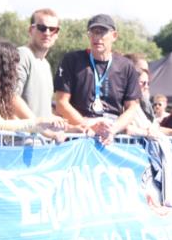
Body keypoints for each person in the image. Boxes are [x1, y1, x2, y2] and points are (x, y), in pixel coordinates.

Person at [54, 14, 142, 144]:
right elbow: (61, 103)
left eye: (102, 32)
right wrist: (87, 125)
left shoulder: (126, 66)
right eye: (93, 32)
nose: (97, 37)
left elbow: (132, 108)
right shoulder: (72, 60)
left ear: (114, 36)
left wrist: (113, 129)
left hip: (112, 135)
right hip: (80, 135)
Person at [0, 40, 65, 135]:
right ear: (2, 67)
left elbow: (15, 123)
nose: (15, 70)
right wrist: (39, 121)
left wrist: (50, 129)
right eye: (13, 65)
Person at [16, 8, 60, 119]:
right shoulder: (22, 55)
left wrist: (75, 127)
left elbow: (43, 114)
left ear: (57, 33)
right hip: (22, 135)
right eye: (42, 28)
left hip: (40, 135)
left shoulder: (46, 65)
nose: (47, 33)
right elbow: (12, 98)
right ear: (31, 30)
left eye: (53, 29)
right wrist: (38, 125)